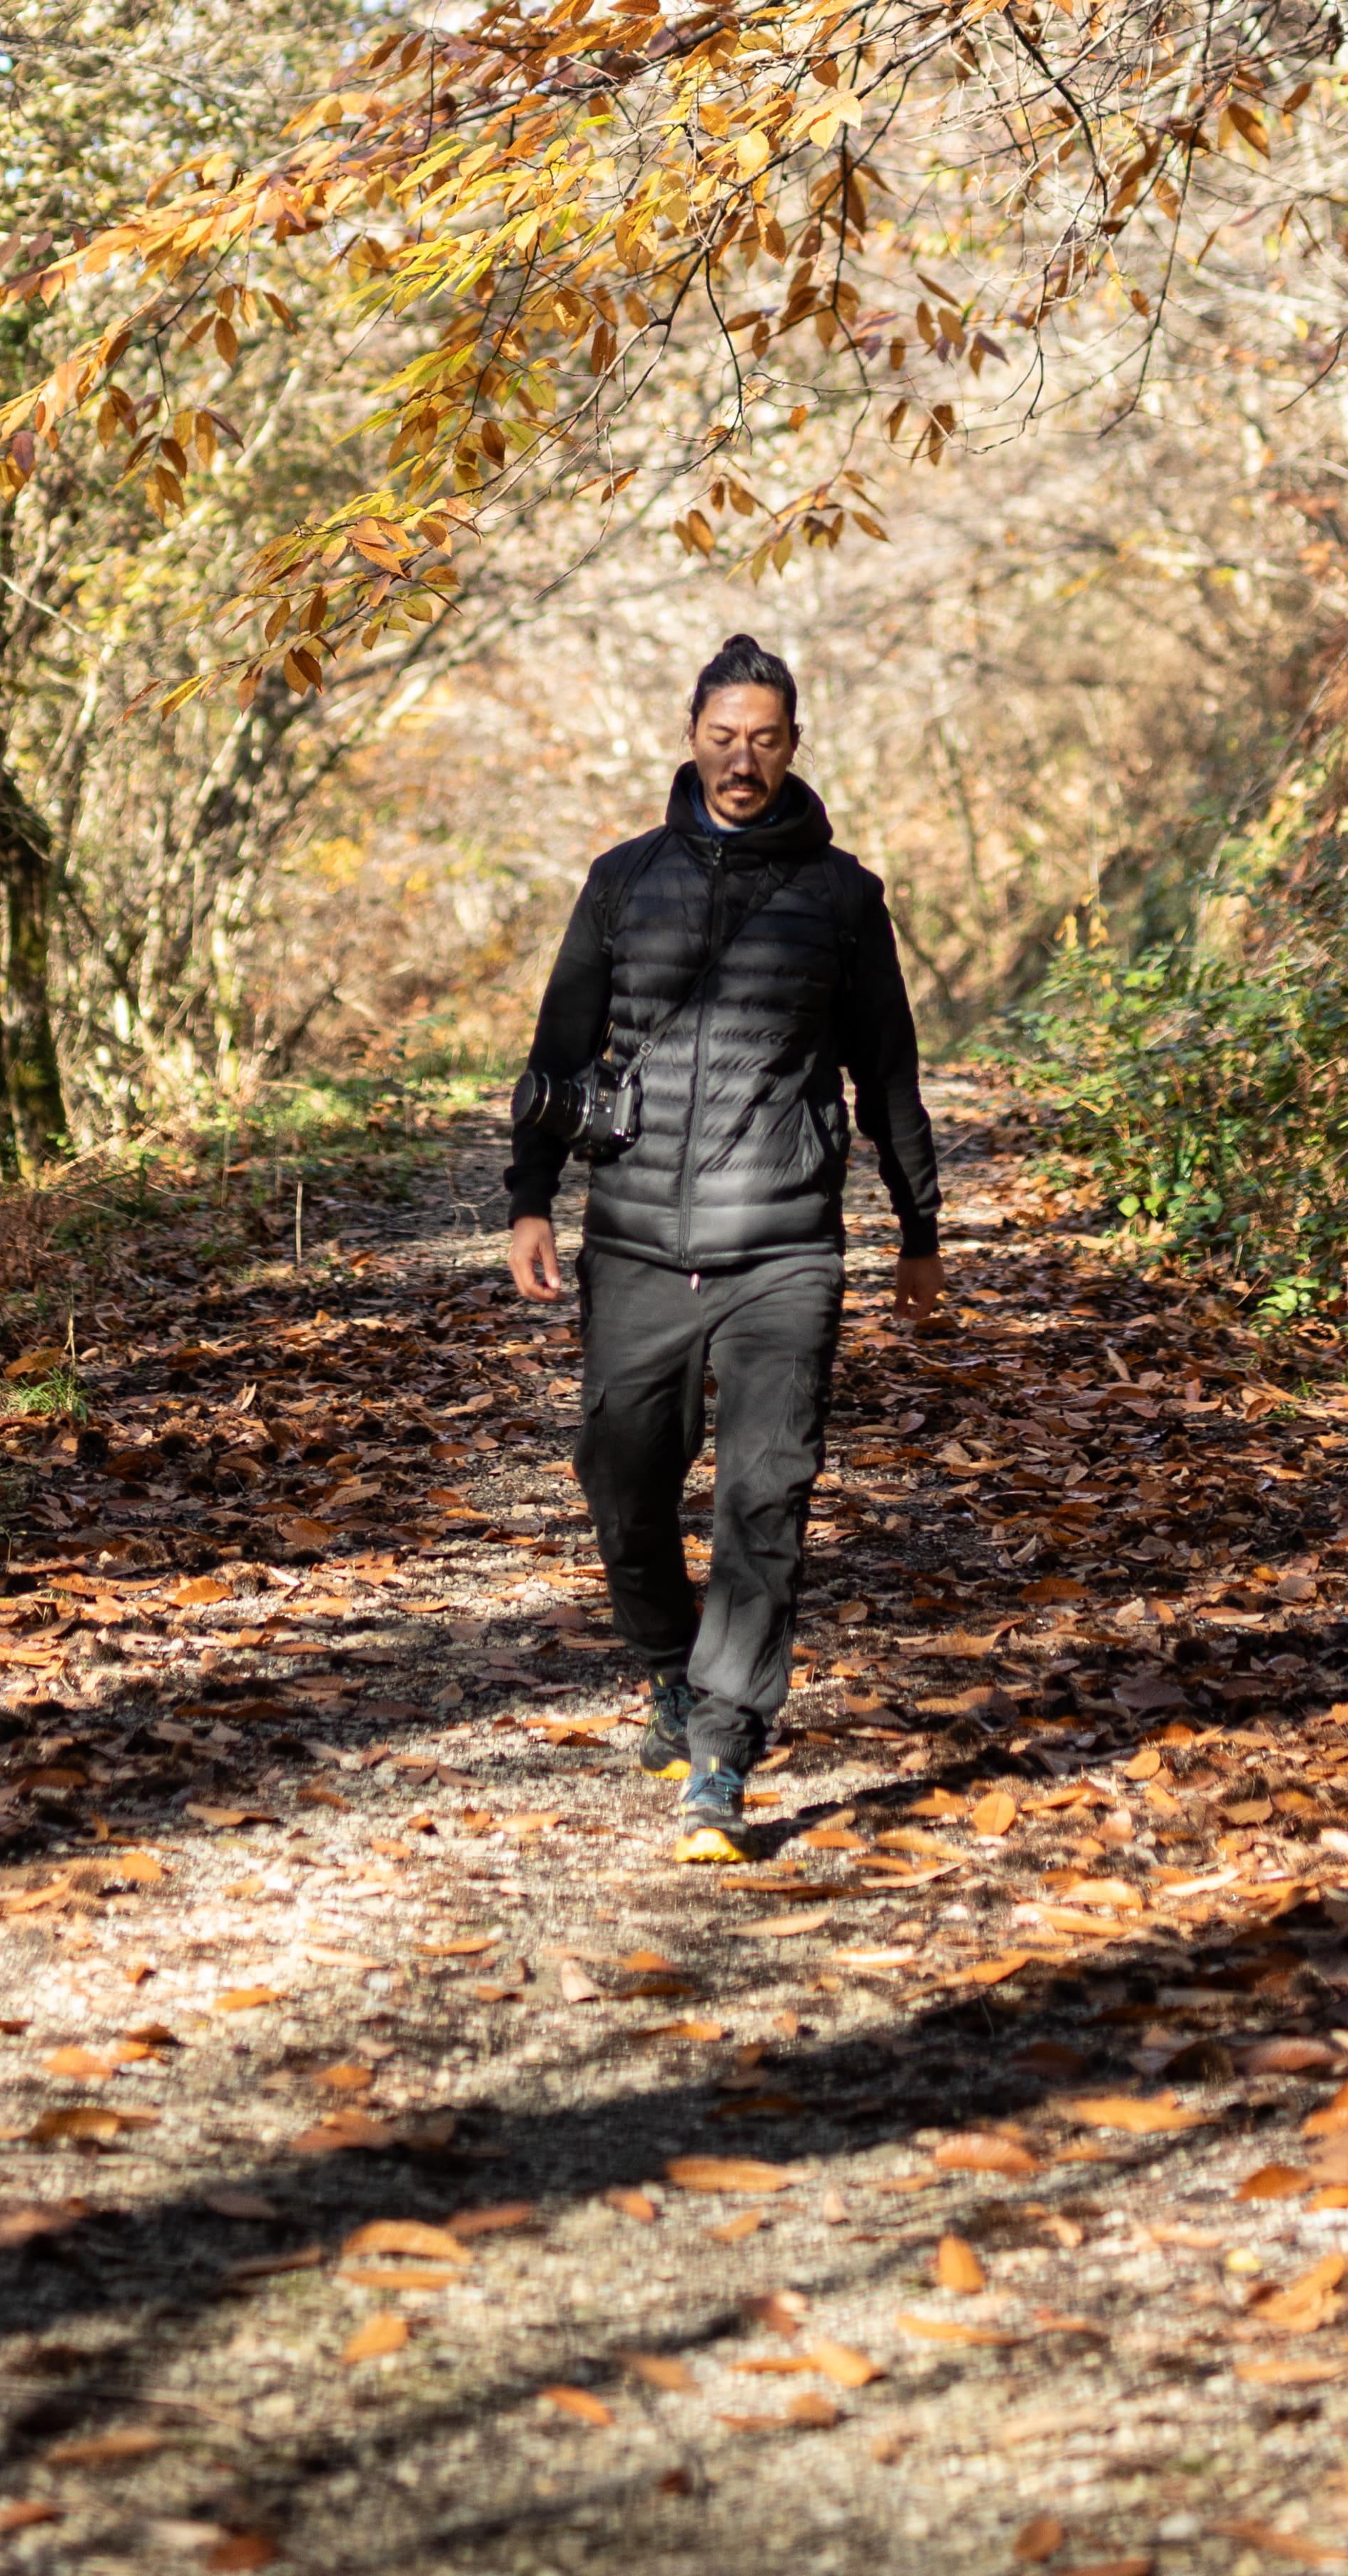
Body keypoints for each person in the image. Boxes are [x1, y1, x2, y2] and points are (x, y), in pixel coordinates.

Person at [505, 632, 944, 1862]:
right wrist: (529, 1198)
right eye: (722, 736)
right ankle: (667, 1666)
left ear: (793, 745)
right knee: (618, 1470)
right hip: (637, 1240)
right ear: (691, 735)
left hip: (785, 1245)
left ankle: (725, 1749)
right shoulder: (620, 880)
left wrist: (918, 1225)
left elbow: (887, 1068)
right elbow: (557, 1051)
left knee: (768, 1490)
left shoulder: (845, 897)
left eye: (765, 738)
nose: (742, 759)